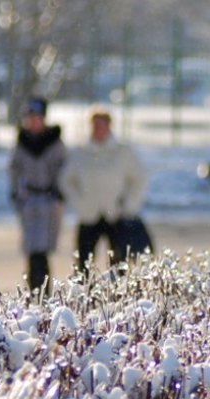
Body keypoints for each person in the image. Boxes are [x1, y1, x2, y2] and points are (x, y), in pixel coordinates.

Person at [59, 105, 149, 274]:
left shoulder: (123, 152)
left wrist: (128, 205)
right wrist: (78, 203)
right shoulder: (80, 153)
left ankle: (117, 297)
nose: (99, 129)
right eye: (95, 125)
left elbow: (140, 178)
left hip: (115, 214)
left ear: (109, 126)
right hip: (88, 215)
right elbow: (65, 180)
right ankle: (87, 296)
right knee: (84, 265)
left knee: (119, 263)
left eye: (102, 125)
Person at [8, 97, 67, 293]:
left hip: (49, 201)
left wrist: (60, 192)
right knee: (31, 249)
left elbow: (65, 170)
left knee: (42, 251)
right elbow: (14, 170)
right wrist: (16, 192)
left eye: (37, 117)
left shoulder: (54, 143)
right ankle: (33, 290)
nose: (33, 122)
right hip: (30, 200)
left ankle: (43, 292)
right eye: (30, 117)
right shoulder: (22, 143)